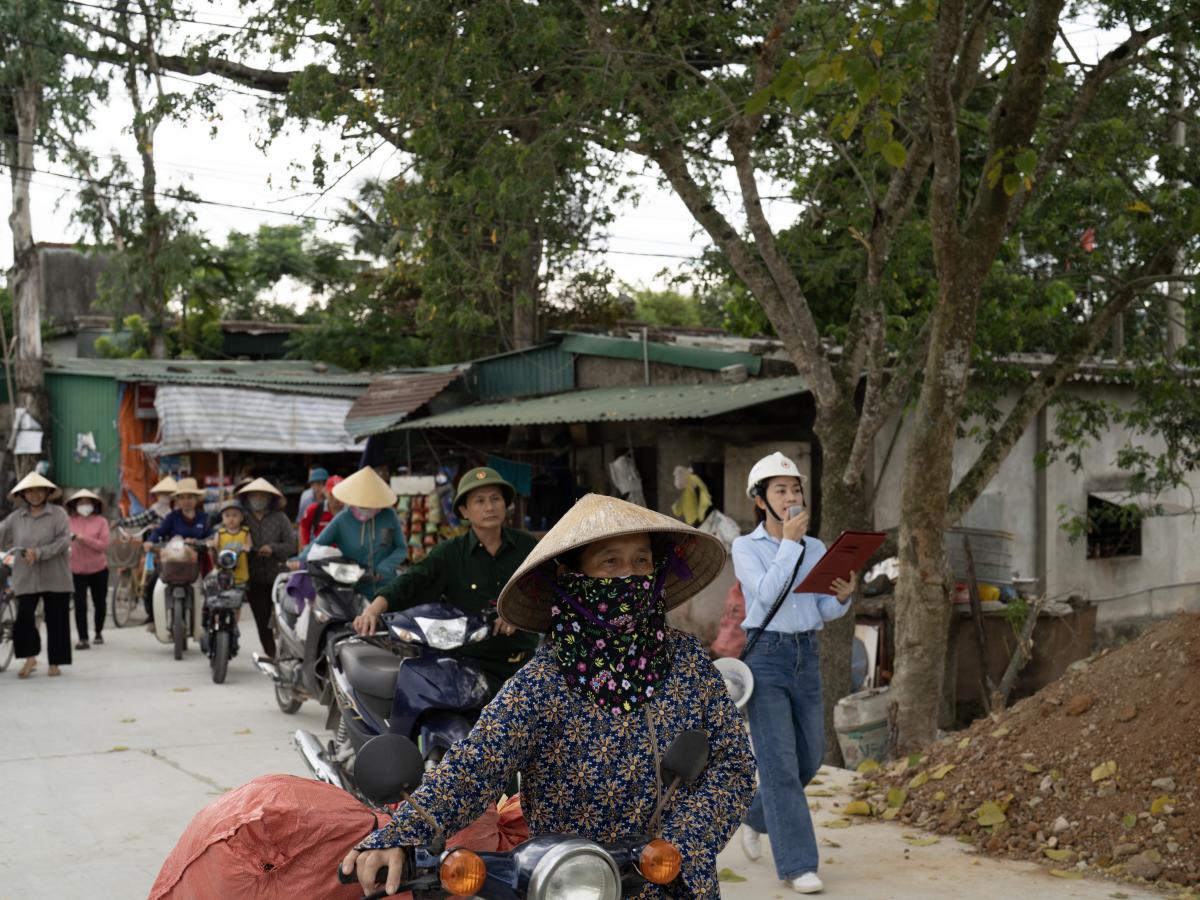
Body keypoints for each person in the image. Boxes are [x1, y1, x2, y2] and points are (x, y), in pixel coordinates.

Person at [342, 493, 755, 898]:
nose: (630, 576)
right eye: (610, 561)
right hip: (571, 882)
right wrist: (402, 833)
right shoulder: (543, 682)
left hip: (677, 881)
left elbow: (734, 765)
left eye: (641, 560)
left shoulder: (687, 661)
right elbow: (476, 766)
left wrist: (679, 843)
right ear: (575, 581)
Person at [732, 452, 858, 895]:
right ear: (760, 499)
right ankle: (798, 864)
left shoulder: (818, 547)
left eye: (796, 489)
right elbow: (766, 597)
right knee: (780, 763)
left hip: (807, 653)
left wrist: (843, 596)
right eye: (780, 489)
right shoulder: (745, 547)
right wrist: (788, 543)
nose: (791, 496)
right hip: (766, 657)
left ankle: (755, 815)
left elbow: (820, 608)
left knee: (812, 756)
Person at [352, 466, 536, 693]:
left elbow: (548, 591)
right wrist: (373, 610)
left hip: (525, 665)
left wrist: (517, 612)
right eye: (479, 501)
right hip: (472, 668)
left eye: (495, 499)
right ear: (464, 511)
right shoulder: (450, 553)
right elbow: (413, 580)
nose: (489, 507)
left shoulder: (528, 547)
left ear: (505, 505)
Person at [1, 473, 75, 678]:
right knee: (24, 618)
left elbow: (63, 541)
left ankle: (55, 662)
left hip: (56, 575)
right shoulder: (16, 517)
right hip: (25, 576)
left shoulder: (58, 514)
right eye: (30, 491)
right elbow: (3, 534)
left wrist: (39, 553)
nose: (34, 495)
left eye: (39, 490)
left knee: (57, 619)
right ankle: (29, 658)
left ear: (47, 492)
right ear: (23, 494)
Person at [302, 466, 406, 599]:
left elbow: (401, 549)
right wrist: (298, 559)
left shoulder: (388, 515)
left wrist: (384, 567)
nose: (365, 505)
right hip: (354, 589)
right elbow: (318, 544)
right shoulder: (342, 519)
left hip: (387, 587)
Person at [237, 477, 295, 661]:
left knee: (284, 617)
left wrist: (273, 548)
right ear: (247, 498)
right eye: (254, 495)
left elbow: (293, 545)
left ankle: (288, 652)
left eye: (262, 496)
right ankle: (272, 655)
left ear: (270, 499)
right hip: (253, 576)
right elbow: (229, 532)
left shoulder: (280, 518)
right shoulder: (242, 518)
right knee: (261, 619)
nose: (258, 499)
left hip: (278, 576)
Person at [117, 475, 176, 626]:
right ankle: (150, 613)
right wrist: (120, 522)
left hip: (168, 551)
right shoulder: (153, 512)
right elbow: (137, 520)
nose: (164, 497)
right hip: (150, 548)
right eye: (162, 494)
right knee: (145, 573)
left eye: (168, 494)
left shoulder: (173, 514)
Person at [66, 489, 111, 650]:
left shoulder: (101, 522)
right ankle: (82, 638)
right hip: (76, 570)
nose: (84, 505)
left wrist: (83, 539)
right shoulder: (68, 522)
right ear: (74, 505)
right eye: (81, 502)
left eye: (87, 502)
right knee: (80, 605)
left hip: (99, 569)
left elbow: (103, 546)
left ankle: (98, 631)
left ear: (94, 504)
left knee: (99, 603)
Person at [208, 500, 252, 588]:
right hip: (224, 568)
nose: (231, 519)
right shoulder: (220, 533)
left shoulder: (245, 532)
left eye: (235, 515)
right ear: (222, 519)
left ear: (241, 518)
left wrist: (247, 547)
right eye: (227, 515)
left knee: (240, 591)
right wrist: (212, 545)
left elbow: (249, 546)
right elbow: (215, 547)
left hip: (240, 569)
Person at [297, 474, 343, 550]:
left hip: (344, 556)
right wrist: (305, 547)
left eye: (339, 493)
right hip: (319, 555)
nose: (335, 498)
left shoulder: (351, 511)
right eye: (332, 494)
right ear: (326, 492)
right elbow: (304, 527)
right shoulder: (314, 509)